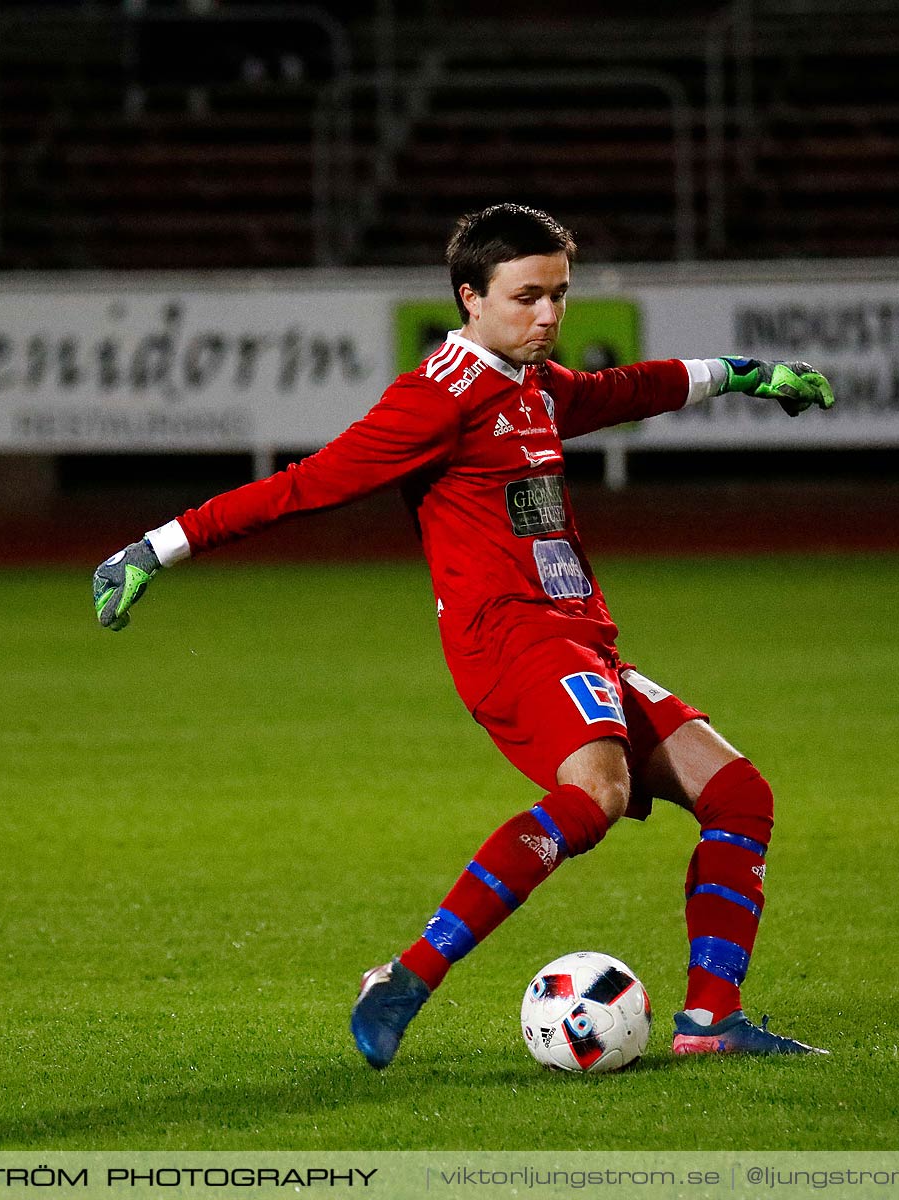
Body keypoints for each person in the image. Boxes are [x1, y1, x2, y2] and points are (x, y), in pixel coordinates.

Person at [92, 203, 835, 1069]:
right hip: (510, 642)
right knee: (591, 795)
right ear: (470, 299)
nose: (550, 317)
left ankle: (711, 1022)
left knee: (740, 794)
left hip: (579, 640)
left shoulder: (532, 384)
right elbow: (306, 485)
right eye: (528, 297)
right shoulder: (434, 401)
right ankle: (404, 978)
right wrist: (157, 546)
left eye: (560, 296)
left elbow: (625, 389)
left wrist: (742, 374)